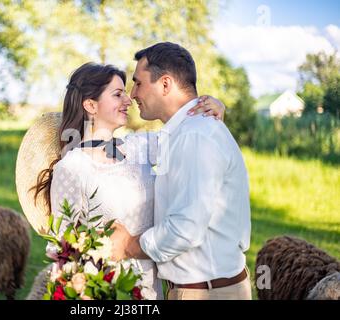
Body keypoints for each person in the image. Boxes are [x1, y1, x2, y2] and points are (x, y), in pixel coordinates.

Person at [31, 62, 226, 300]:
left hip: (154, 290)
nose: (128, 99)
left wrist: (212, 107)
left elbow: (190, 138)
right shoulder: (72, 167)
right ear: (91, 105)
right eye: (118, 94)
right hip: (106, 292)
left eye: (125, 92)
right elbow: (64, 249)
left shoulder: (139, 146)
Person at [110, 42, 252, 300]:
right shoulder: (186, 133)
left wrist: (128, 245)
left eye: (138, 83)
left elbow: (185, 228)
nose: (132, 94)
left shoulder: (195, 136)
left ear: (165, 84)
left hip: (207, 293)